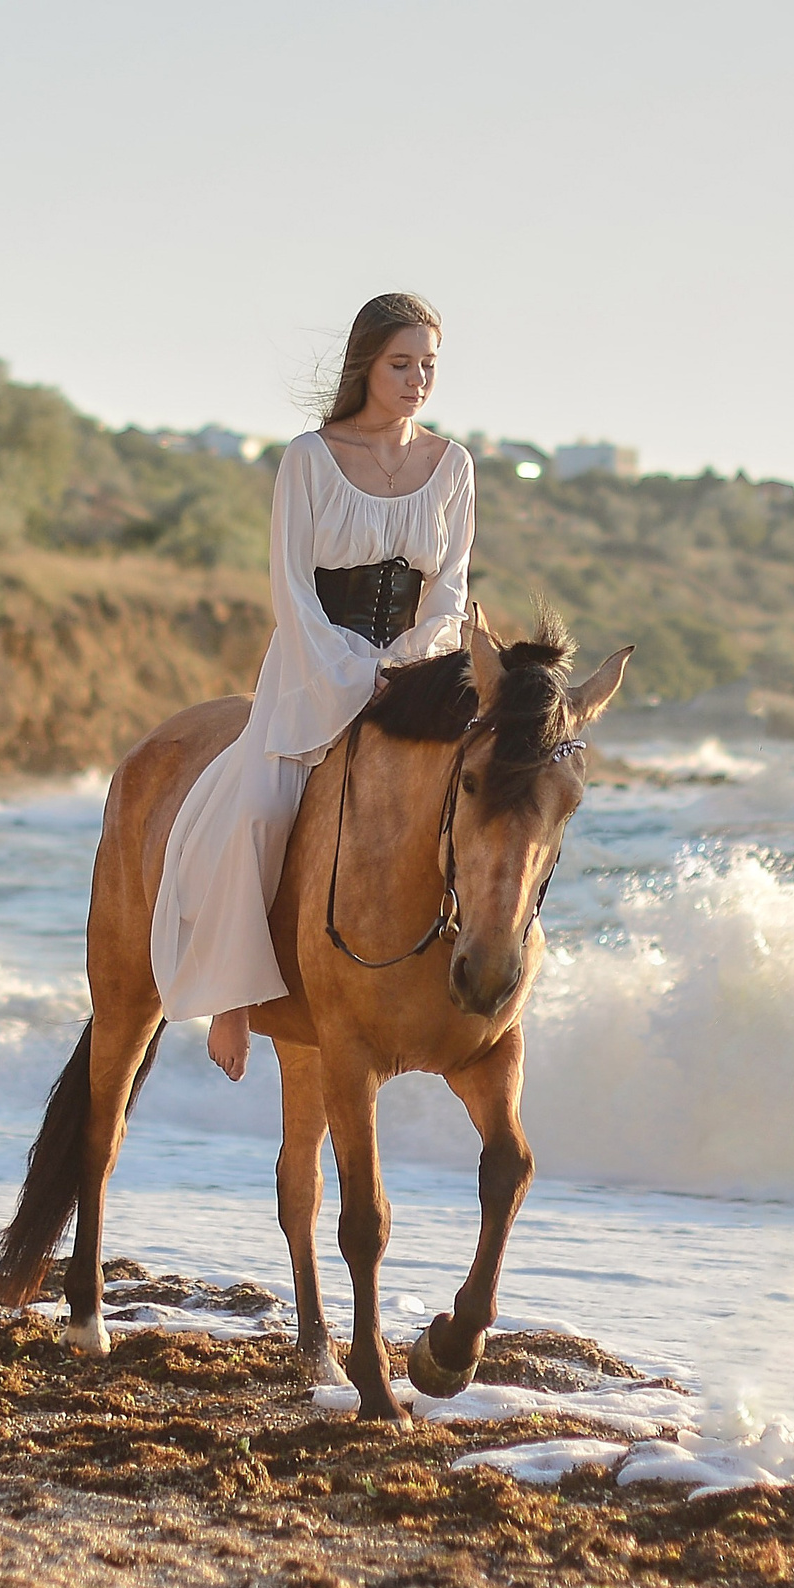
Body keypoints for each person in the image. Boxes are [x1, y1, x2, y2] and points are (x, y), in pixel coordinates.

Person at [148, 293, 476, 1079]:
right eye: (402, 363)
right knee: (258, 809)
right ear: (367, 363)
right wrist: (349, 672)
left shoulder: (453, 465)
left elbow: (453, 587)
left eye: (428, 364)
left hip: (415, 669)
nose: (417, 378)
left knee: (485, 800)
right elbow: (291, 586)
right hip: (310, 664)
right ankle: (234, 1000)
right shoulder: (310, 457)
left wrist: (407, 667)